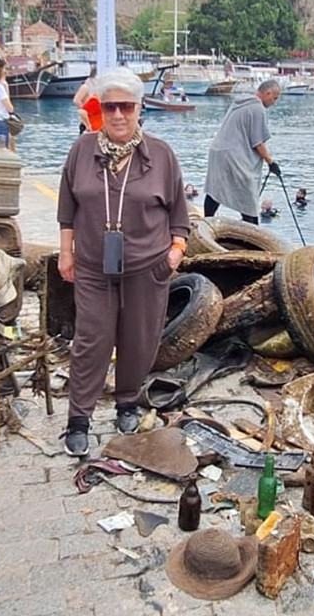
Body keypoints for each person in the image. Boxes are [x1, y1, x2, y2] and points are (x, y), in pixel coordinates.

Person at [56, 67, 190, 457]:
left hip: (148, 268)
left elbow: (180, 214)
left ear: (138, 108)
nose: (118, 115)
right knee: (91, 341)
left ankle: (127, 401)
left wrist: (175, 253)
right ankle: (78, 418)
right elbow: (67, 208)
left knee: (139, 340)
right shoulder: (83, 150)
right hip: (95, 267)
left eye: (126, 107)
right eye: (110, 106)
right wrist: (67, 251)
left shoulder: (161, 155)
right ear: (100, 108)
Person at [204, 80, 281, 224]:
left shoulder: (240, 102)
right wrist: (271, 162)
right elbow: (258, 142)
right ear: (267, 93)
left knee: (216, 190)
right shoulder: (257, 108)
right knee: (248, 194)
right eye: (274, 98)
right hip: (234, 154)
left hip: (218, 151)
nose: (274, 102)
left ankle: (206, 221)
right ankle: (252, 229)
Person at [73, 65, 101, 135]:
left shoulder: (97, 86)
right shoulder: (86, 86)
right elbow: (76, 100)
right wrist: (85, 110)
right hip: (88, 118)